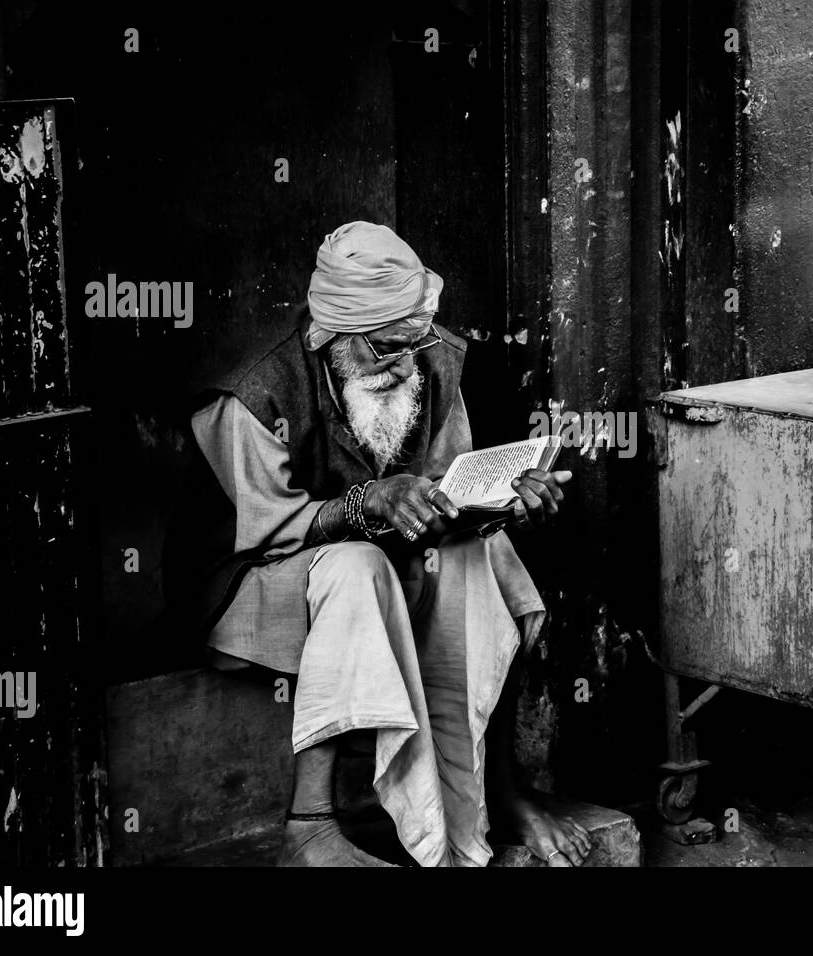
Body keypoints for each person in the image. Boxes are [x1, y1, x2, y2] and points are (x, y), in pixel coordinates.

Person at [166, 221, 592, 867]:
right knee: (355, 564)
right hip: (245, 584)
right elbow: (270, 532)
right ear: (330, 336)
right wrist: (368, 502)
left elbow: (451, 492)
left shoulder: (429, 360)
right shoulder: (251, 399)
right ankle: (307, 827)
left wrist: (506, 506)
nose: (403, 365)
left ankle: (493, 794)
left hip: (374, 570)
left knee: (486, 557)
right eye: (387, 348)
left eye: (413, 342)